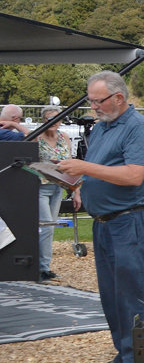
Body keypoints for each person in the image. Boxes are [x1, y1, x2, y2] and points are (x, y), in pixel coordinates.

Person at [55, 72, 144, 363]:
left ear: (118, 98)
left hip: (129, 221)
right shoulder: (101, 127)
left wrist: (84, 167)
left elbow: (134, 175)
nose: (93, 107)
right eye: (91, 101)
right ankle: (124, 352)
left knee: (133, 291)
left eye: (98, 101)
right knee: (111, 294)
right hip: (104, 223)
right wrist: (78, 183)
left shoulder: (138, 127)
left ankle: (142, 359)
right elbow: (102, 169)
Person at [34, 106, 74, 281]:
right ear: (43, 120)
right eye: (49, 119)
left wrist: (75, 189)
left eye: (56, 119)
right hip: (41, 187)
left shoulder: (64, 137)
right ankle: (42, 268)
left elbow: (70, 161)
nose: (53, 122)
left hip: (58, 187)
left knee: (49, 227)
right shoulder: (36, 137)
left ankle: (44, 266)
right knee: (47, 226)